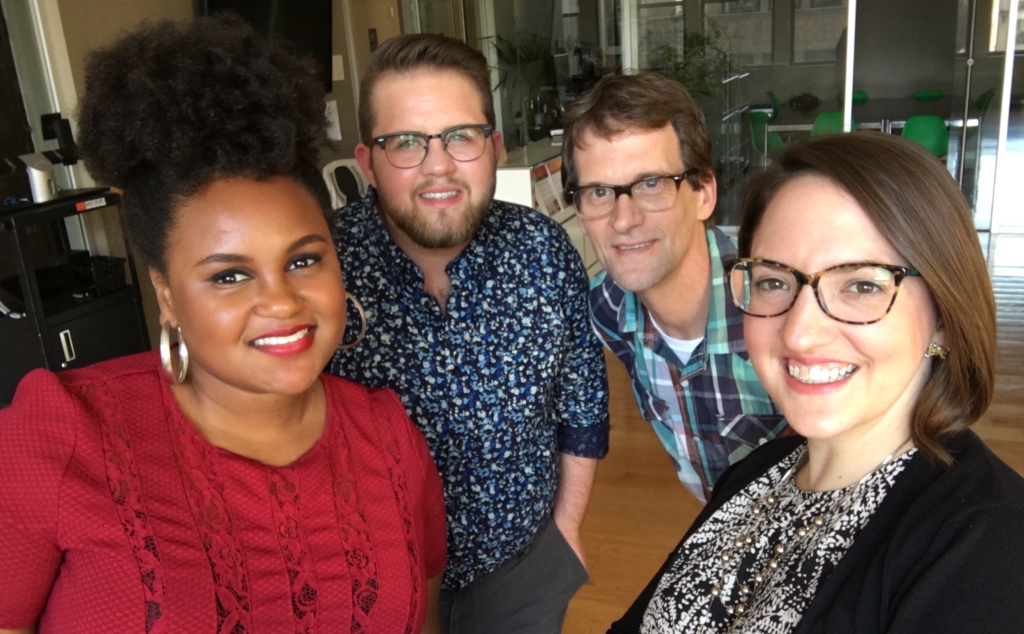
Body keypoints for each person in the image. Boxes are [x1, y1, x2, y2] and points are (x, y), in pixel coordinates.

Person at [0, 16, 446, 634]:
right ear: (167, 293)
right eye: (229, 275)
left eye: (303, 260)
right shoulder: (62, 432)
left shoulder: (389, 436)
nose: (283, 302)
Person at [608, 132, 1024, 634]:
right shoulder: (755, 471)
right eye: (774, 281)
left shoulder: (990, 547)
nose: (800, 333)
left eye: (862, 285)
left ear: (943, 316)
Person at [327, 33, 609, 633]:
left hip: (524, 570)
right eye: (404, 141)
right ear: (367, 162)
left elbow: (582, 399)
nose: (438, 165)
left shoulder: (541, 249)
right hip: (367, 586)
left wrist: (567, 531)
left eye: (461, 136)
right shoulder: (318, 265)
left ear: (494, 147)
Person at [561, 72, 788, 504]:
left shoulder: (778, 309)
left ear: (704, 193)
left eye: (651, 184)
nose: (623, 219)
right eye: (599, 192)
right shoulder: (606, 309)